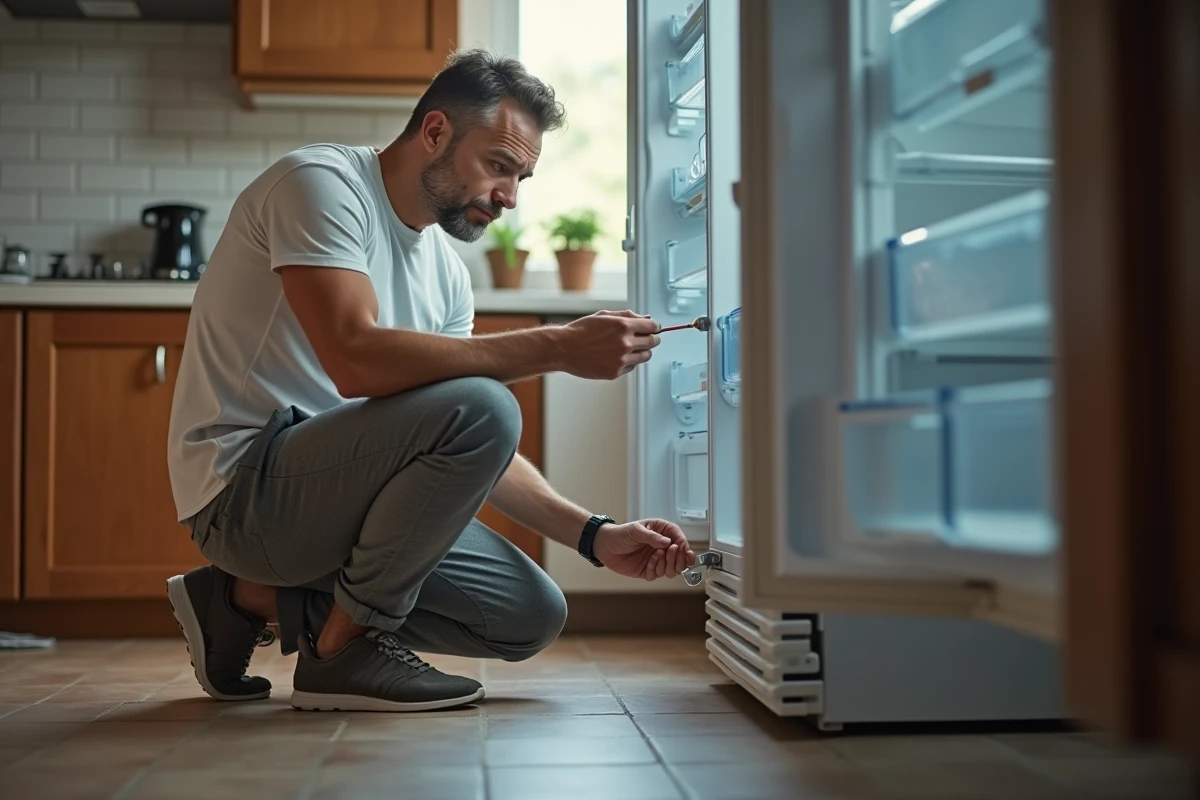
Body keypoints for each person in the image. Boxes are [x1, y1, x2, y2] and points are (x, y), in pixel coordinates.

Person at [164, 49, 697, 713]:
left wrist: (594, 534)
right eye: (499, 166)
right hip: (245, 493)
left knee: (529, 615)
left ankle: (238, 599)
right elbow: (353, 359)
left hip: (336, 495)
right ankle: (342, 653)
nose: (508, 196)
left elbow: (467, 438)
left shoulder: (447, 274)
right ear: (436, 132)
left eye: (522, 178)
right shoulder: (321, 184)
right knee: (486, 405)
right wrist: (558, 345)